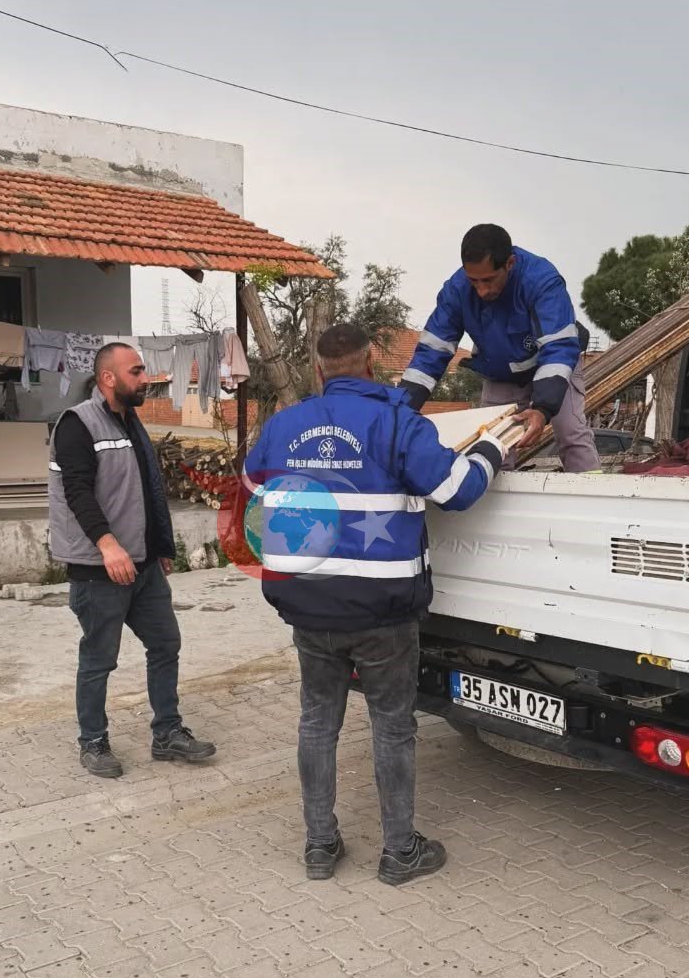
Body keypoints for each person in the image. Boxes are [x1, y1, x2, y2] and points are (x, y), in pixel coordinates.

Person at [244, 322, 505, 886]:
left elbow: (252, 486)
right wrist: (493, 447)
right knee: (391, 726)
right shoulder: (397, 423)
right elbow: (458, 490)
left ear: (318, 370)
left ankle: (319, 846)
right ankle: (399, 852)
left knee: (317, 723)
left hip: (307, 604)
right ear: (372, 367)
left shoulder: (283, 425)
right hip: (382, 611)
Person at [49, 342, 216, 778]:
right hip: (99, 570)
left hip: (142, 565)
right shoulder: (76, 424)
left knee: (165, 644)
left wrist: (160, 547)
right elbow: (78, 492)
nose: (146, 380)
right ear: (109, 378)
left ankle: (167, 732)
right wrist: (107, 545)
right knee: (99, 658)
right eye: (137, 372)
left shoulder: (131, 421)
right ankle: (93, 741)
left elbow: (147, 489)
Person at [401, 223, 599, 472]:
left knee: (572, 435)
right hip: (501, 372)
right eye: (474, 281)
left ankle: (596, 507)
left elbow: (558, 349)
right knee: (492, 444)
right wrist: (401, 409)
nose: (482, 291)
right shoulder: (456, 290)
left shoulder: (542, 279)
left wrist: (543, 408)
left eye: (489, 280)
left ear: (510, 263)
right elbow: (431, 352)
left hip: (554, 366)